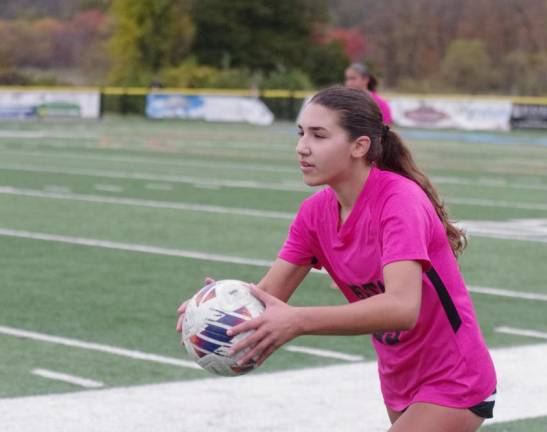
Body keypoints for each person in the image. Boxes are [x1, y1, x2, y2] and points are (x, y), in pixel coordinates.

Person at [177, 86, 496, 432]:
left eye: (319, 135)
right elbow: (270, 295)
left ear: (359, 146)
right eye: (301, 133)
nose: (302, 147)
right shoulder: (314, 214)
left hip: (455, 375)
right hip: (398, 378)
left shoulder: (399, 202)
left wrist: (298, 321)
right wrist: (218, 309)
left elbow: (402, 308)